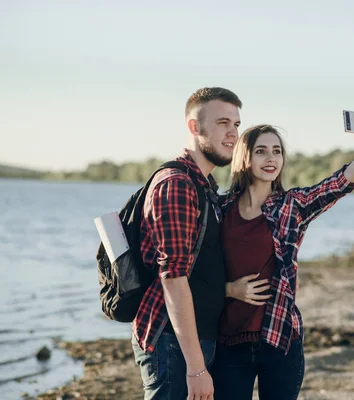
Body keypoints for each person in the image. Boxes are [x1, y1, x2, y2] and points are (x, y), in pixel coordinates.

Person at [211, 111, 354, 400]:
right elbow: (199, 270)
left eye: (277, 151)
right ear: (244, 157)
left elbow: (338, 184)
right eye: (261, 151)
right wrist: (229, 290)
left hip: (280, 338)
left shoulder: (291, 206)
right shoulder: (220, 209)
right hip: (229, 341)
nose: (271, 158)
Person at [131, 87, 242, 400]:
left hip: (195, 339)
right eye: (223, 123)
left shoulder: (204, 185)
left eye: (236, 124)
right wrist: (195, 368)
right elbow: (174, 278)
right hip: (172, 342)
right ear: (195, 127)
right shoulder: (177, 184)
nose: (233, 133)